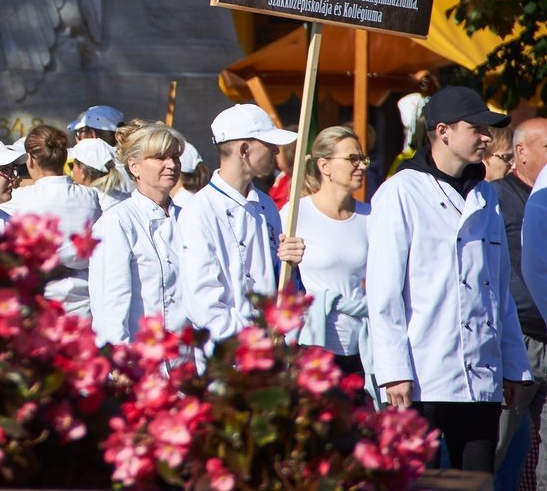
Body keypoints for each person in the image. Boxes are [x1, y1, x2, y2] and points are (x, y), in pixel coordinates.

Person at [368, 86, 531, 473]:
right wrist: (393, 372)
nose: (486, 138)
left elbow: (498, 289)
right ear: (442, 131)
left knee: (477, 481)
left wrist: (512, 363)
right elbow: (384, 292)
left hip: (481, 376)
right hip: (422, 375)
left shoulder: (486, 196)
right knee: (413, 481)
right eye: (476, 128)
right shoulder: (401, 192)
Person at [175, 104, 305, 348]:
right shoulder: (199, 211)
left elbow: (278, 285)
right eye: (269, 144)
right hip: (227, 362)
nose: (277, 151)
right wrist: (253, 339)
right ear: (244, 149)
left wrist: (290, 264)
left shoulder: (266, 205)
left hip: (270, 354)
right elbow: (202, 302)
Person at [282, 127, 371, 377]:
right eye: (352, 159)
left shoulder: (371, 216)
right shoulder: (295, 214)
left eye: (363, 158)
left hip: (361, 348)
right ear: (325, 166)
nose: (361, 166)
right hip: (312, 347)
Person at [89, 120, 185, 347]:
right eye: (160, 158)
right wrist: (118, 357)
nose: (171, 164)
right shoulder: (118, 222)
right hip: (141, 359)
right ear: (134, 167)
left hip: (187, 360)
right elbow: (110, 301)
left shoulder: (189, 217)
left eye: (175, 156)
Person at [492, 117, 547, 487]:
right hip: (518, 342)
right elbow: (505, 274)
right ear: (520, 151)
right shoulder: (496, 196)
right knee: (501, 444)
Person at [0, 125, 102, 316]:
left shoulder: (20, 198)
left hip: (42, 296)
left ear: (30, 160)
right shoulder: (91, 196)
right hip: (85, 297)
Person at [68, 137, 127, 210]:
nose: (71, 171)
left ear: (82, 171)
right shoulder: (127, 198)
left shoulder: (81, 205)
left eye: (72, 166)